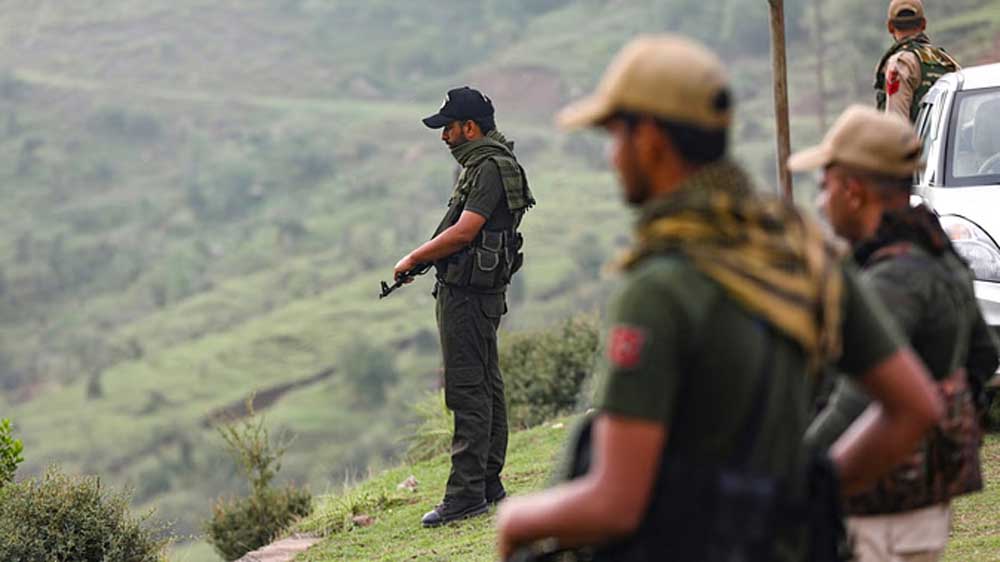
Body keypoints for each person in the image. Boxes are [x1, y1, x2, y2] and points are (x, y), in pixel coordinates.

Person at [495, 35, 943, 562]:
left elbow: (615, 502)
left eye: (618, 134)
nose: (614, 156)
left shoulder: (658, 289)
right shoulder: (800, 251)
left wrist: (516, 520)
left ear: (653, 141)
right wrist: (803, 495)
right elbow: (915, 406)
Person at [793, 105, 1000, 562]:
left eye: (825, 187)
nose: (822, 202)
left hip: (878, 509)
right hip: (914, 505)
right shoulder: (940, 256)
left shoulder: (892, 279)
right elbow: (982, 360)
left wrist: (793, 477)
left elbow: (857, 399)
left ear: (853, 190)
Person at [394, 86, 534, 528]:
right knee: (486, 386)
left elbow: (464, 232)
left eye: (449, 128)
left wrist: (415, 257)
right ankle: (487, 484)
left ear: (470, 127)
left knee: (468, 389)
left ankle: (465, 494)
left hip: (469, 296)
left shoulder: (489, 167)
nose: (444, 138)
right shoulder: (487, 163)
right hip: (475, 292)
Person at [875, 0, 959, 123]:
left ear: (890, 27)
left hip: (915, 142)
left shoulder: (900, 63)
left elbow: (896, 124)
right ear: (923, 24)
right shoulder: (946, 60)